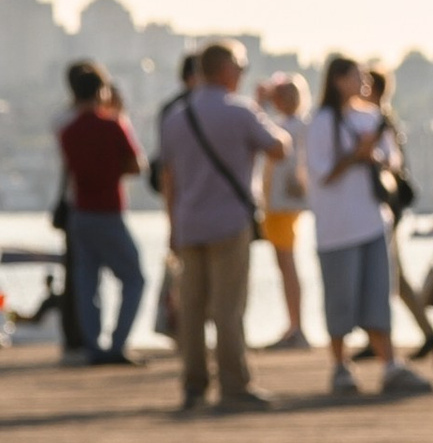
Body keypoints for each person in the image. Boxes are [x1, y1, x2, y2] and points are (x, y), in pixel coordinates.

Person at [159, 40, 286, 412]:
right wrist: (267, 110)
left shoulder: (176, 117)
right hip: (230, 223)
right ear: (227, 70)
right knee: (228, 308)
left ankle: (194, 386)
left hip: (188, 224)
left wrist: (171, 226)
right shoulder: (242, 111)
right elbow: (279, 148)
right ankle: (234, 384)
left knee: (192, 310)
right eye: (241, 67)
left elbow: (168, 179)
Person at [309, 53, 432, 401]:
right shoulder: (320, 122)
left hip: (374, 222)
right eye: (356, 76)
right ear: (337, 80)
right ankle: (339, 366)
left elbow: (392, 164)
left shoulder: (373, 117)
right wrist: (355, 155)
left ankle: (390, 365)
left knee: (379, 296)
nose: (364, 82)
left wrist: (372, 155)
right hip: (335, 227)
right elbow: (321, 175)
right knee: (340, 300)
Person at [56, 60, 147, 366]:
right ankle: (118, 344)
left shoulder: (67, 131)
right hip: (109, 211)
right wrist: (119, 115)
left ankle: (93, 346)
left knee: (86, 283)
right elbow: (136, 165)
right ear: (101, 91)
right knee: (134, 278)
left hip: (81, 212)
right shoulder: (112, 125)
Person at [254, 73, 313, 348]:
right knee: (285, 264)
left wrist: (260, 103)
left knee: (286, 264)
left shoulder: (296, 126)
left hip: (283, 205)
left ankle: (296, 327)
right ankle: (294, 325)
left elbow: (259, 129)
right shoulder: (290, 124)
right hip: (276, 204)